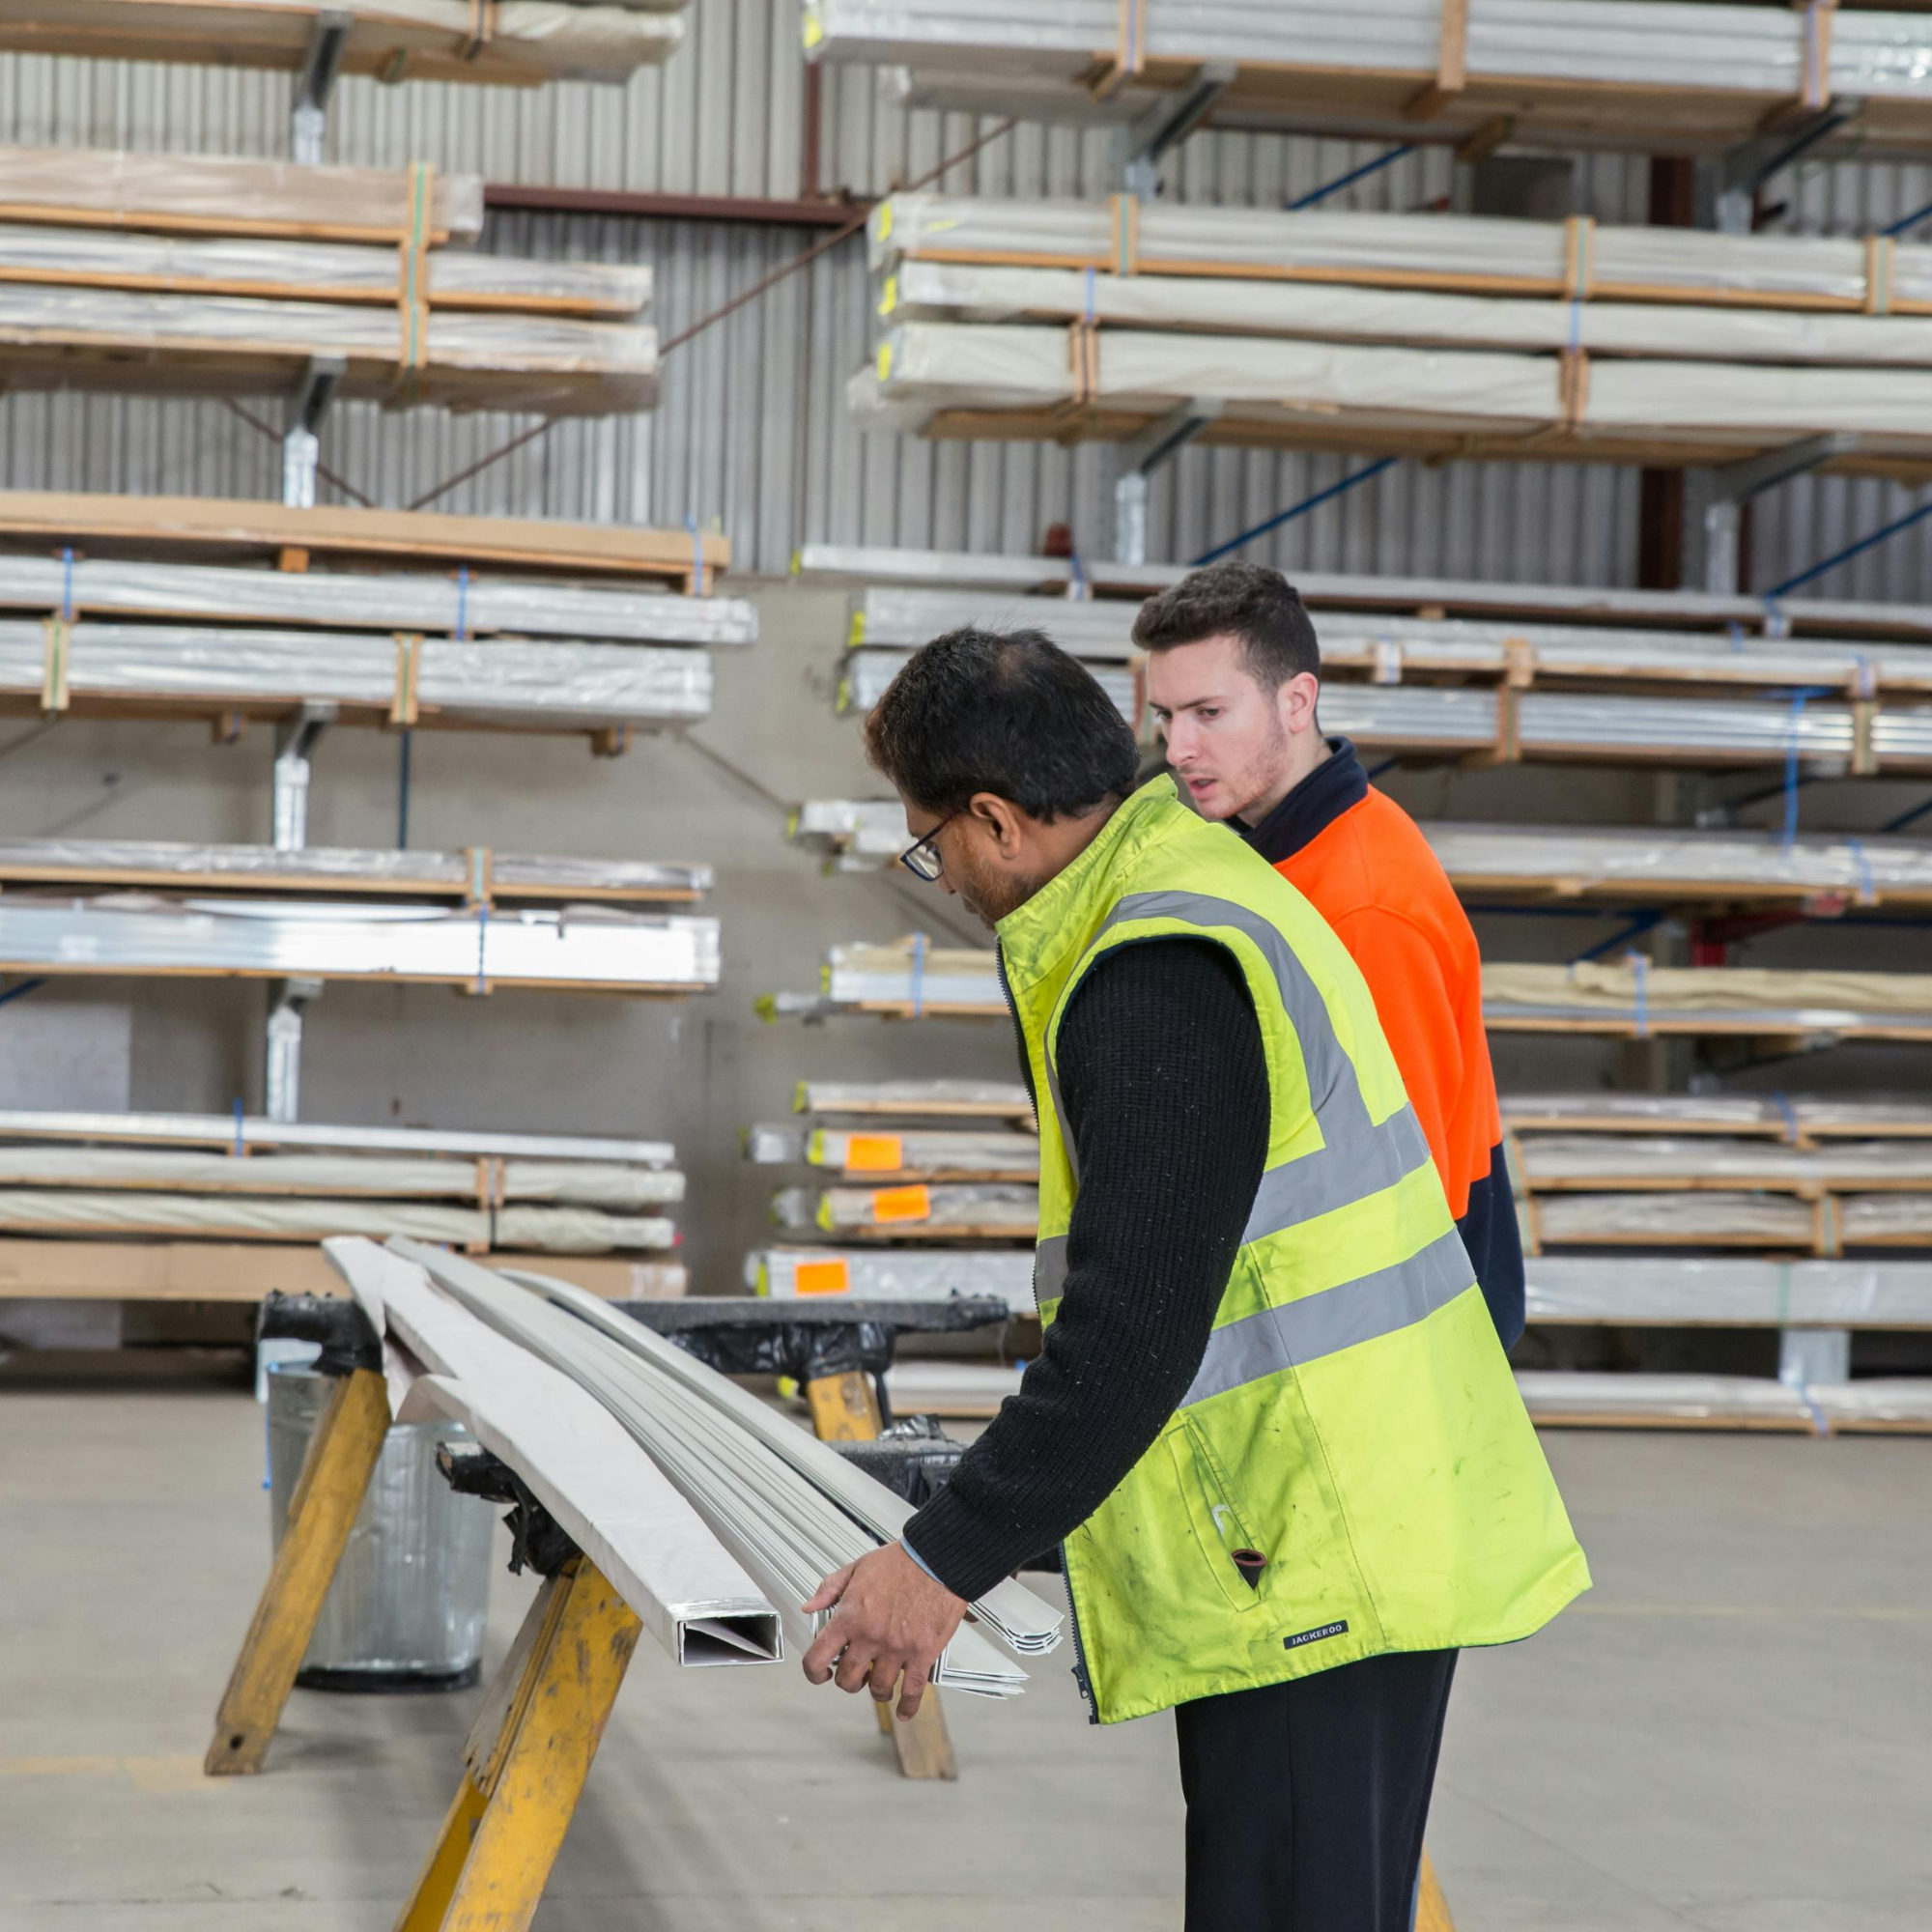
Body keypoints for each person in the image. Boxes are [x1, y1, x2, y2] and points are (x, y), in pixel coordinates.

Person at [800, 625, 1589, 1932]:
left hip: (1313, 1547)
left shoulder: (1152, 965)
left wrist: (940, 1563)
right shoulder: (1179, 881)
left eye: (932, 843)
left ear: (996, 820)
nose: (940, 872)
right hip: (1327, 1519)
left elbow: (1132, 1340)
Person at [1137, 560, 1526, 1349]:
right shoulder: (1272, 849)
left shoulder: (1365, 906)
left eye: (1209, 712)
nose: (1178, 748)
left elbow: (1403, 1190)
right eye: (1165, 715)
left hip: (1399, 1331)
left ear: (1297, 701)